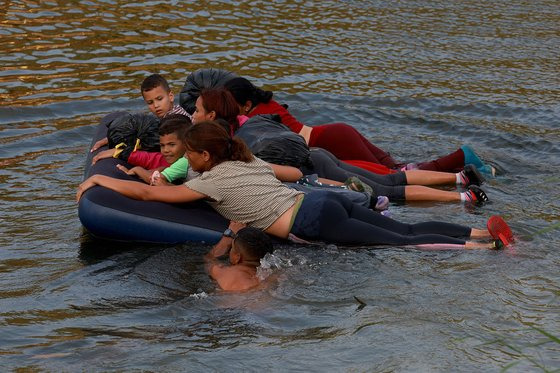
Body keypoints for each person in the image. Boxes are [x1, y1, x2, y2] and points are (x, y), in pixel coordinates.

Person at [76, 120, 513, 249]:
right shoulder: (246, 161)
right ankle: (480, 232)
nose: (186, 159)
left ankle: (486, 247)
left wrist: (100, 177)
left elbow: (152, 193)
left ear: (205, 157)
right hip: (321, 199)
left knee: (404, 242)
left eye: (190, 153)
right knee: (407, 230)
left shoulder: (210, 183)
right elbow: (293, 173)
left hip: (312, 217)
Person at [192, 88, 489, 205]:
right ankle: (460, 178)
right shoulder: (256, 117)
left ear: (213, 116)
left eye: (196, 110)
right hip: (323, 147)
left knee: (390, 183)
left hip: (320, 153)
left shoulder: (225, 140)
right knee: (392, 174)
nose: (192, 115)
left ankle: (462, 189)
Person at [222, 75, 495, 175]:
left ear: (245, 105)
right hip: (336, 132)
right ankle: (470, 169)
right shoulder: (268, 105)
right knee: (398, 167)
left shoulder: (255, 119)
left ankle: (461, 156)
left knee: (393, 176)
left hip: (330, 141)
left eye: (231, 105)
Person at [91, 73, 191, 159]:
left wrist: (118, 150)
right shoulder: (165, 117)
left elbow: (149, 141)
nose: (156, 105)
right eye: (150, 102)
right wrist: (112, 138)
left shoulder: (176, 120)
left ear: (171, 96)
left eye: (159, 99)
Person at [115, 114, 194, 185]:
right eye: (162, 145)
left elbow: (155, 180)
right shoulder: (185, 157)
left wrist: (137, 170)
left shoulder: (184, 161)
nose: (166, 150)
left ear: (186, 143)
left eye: (172, 145)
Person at [204, 223, 274, 291]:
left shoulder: (224, 272)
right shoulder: (267, 278)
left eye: (232, 248)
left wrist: (228, 237)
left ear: (237, 257)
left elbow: (209, 259)